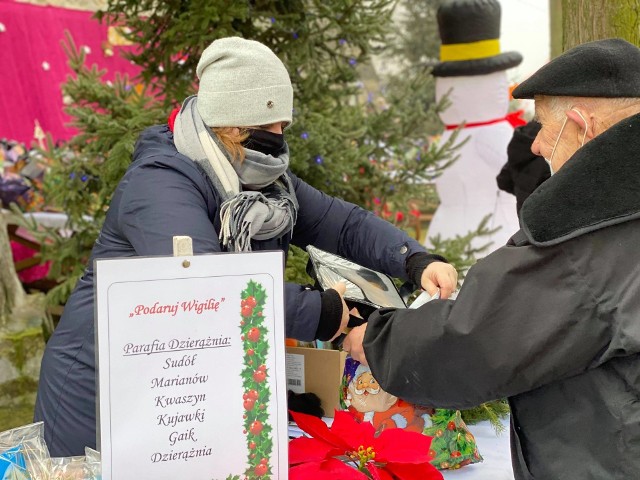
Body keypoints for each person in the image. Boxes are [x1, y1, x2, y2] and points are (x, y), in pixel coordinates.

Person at [34, 37, 457, 456]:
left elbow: (341, 223)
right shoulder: (160, 181)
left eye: (283, 126)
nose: (278, 138)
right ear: (230, 124)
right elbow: (202, 285)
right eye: (267, 125)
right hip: (103, 391)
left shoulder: (266, 183)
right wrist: (324, 314)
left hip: (184, 386)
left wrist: (414, 260)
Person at [344, 38, 640, 479]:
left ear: (582, 125)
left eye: (543, 124)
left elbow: (476, 340)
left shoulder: (589, 238)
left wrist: (376, 339)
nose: (536, 144)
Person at [496, 120, 550, 216]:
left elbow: (503, 181)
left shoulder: (521, 139)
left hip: (524, 217)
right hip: (548, 216)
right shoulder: (555, 142)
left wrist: (521, 189)